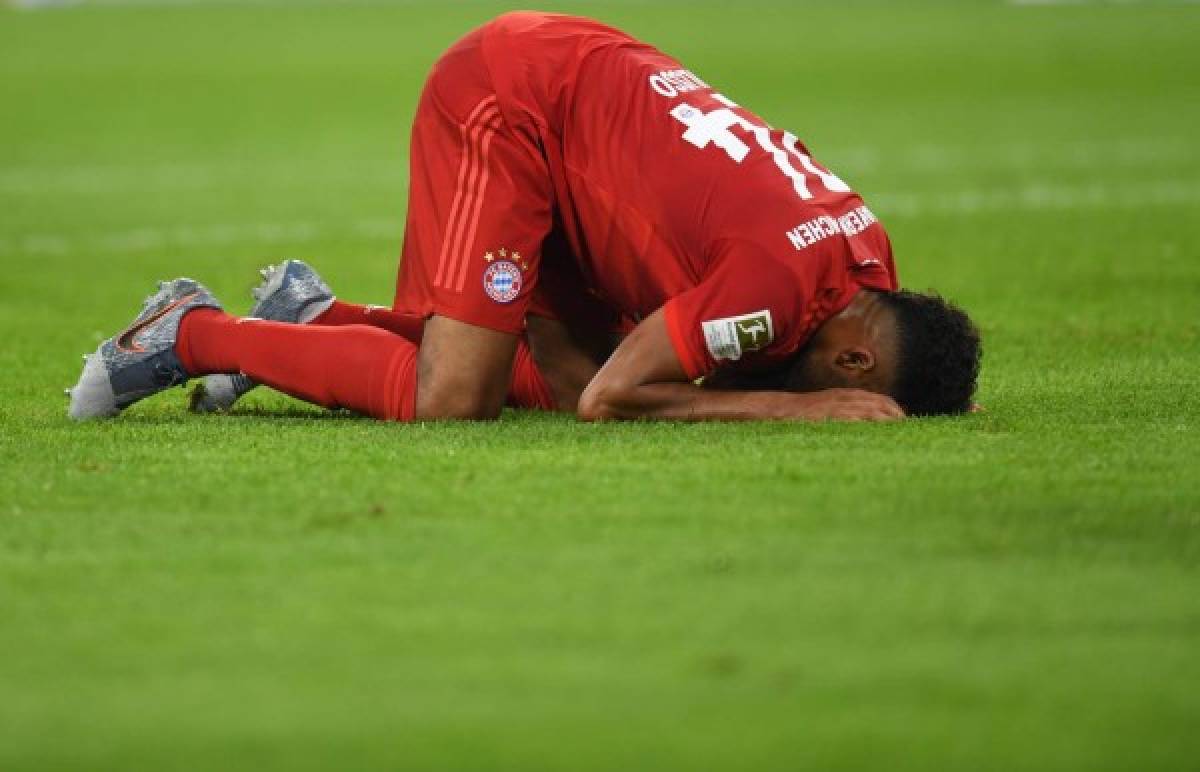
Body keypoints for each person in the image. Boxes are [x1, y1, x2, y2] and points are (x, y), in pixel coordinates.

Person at [68, 12, 981, 423]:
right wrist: (793, 417)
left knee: (546, 375)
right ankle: (193, 334)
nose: (825, 396)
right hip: (515, 105)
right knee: (454, 398)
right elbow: (615, 400)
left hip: (589, 107)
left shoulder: (865, 257)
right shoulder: (776, 294)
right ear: (855, 360)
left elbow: (604, 380)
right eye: (844, 392)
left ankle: (310, 317)